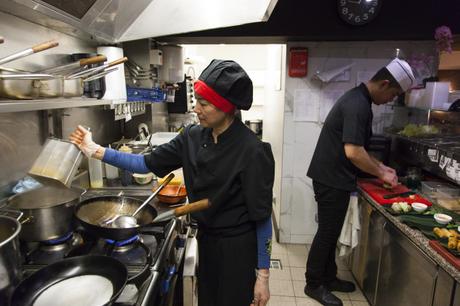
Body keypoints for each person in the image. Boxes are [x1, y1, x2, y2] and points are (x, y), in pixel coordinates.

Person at [70, 59, 275, 306]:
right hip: (207, 242)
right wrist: (96, 150)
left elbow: (262, 217)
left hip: (237, 249)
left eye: (204, 103)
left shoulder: (253, 151)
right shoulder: (192, 136)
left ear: (226, 107)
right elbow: (145, 164)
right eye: (196, 100)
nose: (196, 108)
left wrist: (262, 276)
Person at [304, 58, 415, 306]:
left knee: (330, 233)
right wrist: (382, 173)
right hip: (331, 179)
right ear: (385, 83)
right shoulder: (358, 104)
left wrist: (381, 167)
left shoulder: (359, 99)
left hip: (332, 177)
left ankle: (329, 277)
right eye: (393, 94)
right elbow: (353, 152)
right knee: (327, 232)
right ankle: (313, 283)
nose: (390, 100)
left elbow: (360, 151)